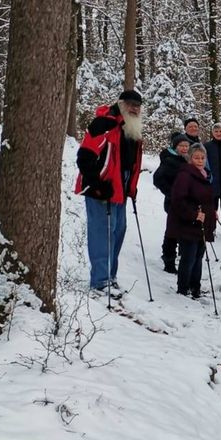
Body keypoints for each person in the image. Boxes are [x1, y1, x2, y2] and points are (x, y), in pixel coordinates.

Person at [75, 89, 144, 295]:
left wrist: (130, 186)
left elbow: (130, 162)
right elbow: (85, 157)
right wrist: (97, 184)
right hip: (101, 187)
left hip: (120, 187)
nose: (134, 109)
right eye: (131, 104)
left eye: (138, 106)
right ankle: (100, 281)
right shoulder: (103, 123)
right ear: (121, 104)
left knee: (118, 231)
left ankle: (110, 276)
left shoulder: (132, 129)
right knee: (103, 232)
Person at [167, 143, 217, 298]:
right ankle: (183, 288)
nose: (200, 160)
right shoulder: (185, 174)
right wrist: (193, 214)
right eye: (196, 157)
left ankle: (195, 287)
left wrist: (212, 211)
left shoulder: (205, 174)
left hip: (201, 223)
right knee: (188, 258)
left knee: (198, 257)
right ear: (190, 158)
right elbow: (178, 200)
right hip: (187, 223)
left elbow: (207, 198)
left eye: (202, 157)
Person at [153, 132, 191, 273]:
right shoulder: (169, 160)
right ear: (175, 147)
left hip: (186, 203)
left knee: (184, 231)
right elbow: (157, 179)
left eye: (186, 145)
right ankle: (168, 260)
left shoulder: (187, 160)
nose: (184, 148)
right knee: (172, 232)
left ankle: (183, 258)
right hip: (173, 203)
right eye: (181, 146)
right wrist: (171, 193)